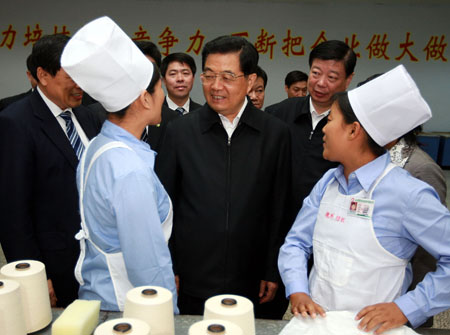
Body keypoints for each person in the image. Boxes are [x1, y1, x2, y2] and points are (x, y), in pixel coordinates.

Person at [278, 65, 450, 334]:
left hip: (375, 329)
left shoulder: (407, 194)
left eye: (331, 119)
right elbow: (296, 243)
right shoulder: (328, 183)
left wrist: (407, 307)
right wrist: (297, 289)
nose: (324, 128)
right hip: (319, 326)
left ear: (353, 130)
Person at [155, 35, 291, 317]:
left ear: (251, 80)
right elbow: (165, 205)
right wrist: (171, 265)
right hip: (193, 277)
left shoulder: (275, 134)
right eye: (209, 75)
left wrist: (272, 269)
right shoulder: (181, 132)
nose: (216, 86)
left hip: (253, 278)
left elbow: (280, 207)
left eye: (228, 76)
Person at [61, 16, 178, 312]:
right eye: (160, 88)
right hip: (127, 307)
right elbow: (148, 265)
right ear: (145, 99)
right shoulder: (129, 169)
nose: (164, 96)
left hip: (98, 292)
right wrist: (168, 315)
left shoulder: (98, 146)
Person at [0, 34, 102, 307]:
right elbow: (12, 212)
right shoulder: (16, 123)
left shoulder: (86, 115)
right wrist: (33, 275)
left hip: (96, 262)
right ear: (43, 75)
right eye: (72, 76)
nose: (81, 85)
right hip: (55, 266)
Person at [269, 40, 356, 224]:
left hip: (325, 224)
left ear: (348, 80)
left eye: (332, 77)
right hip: (274, 223)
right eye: (315, 73)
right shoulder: (277, 114)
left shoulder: (353, 127)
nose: (321, 83)